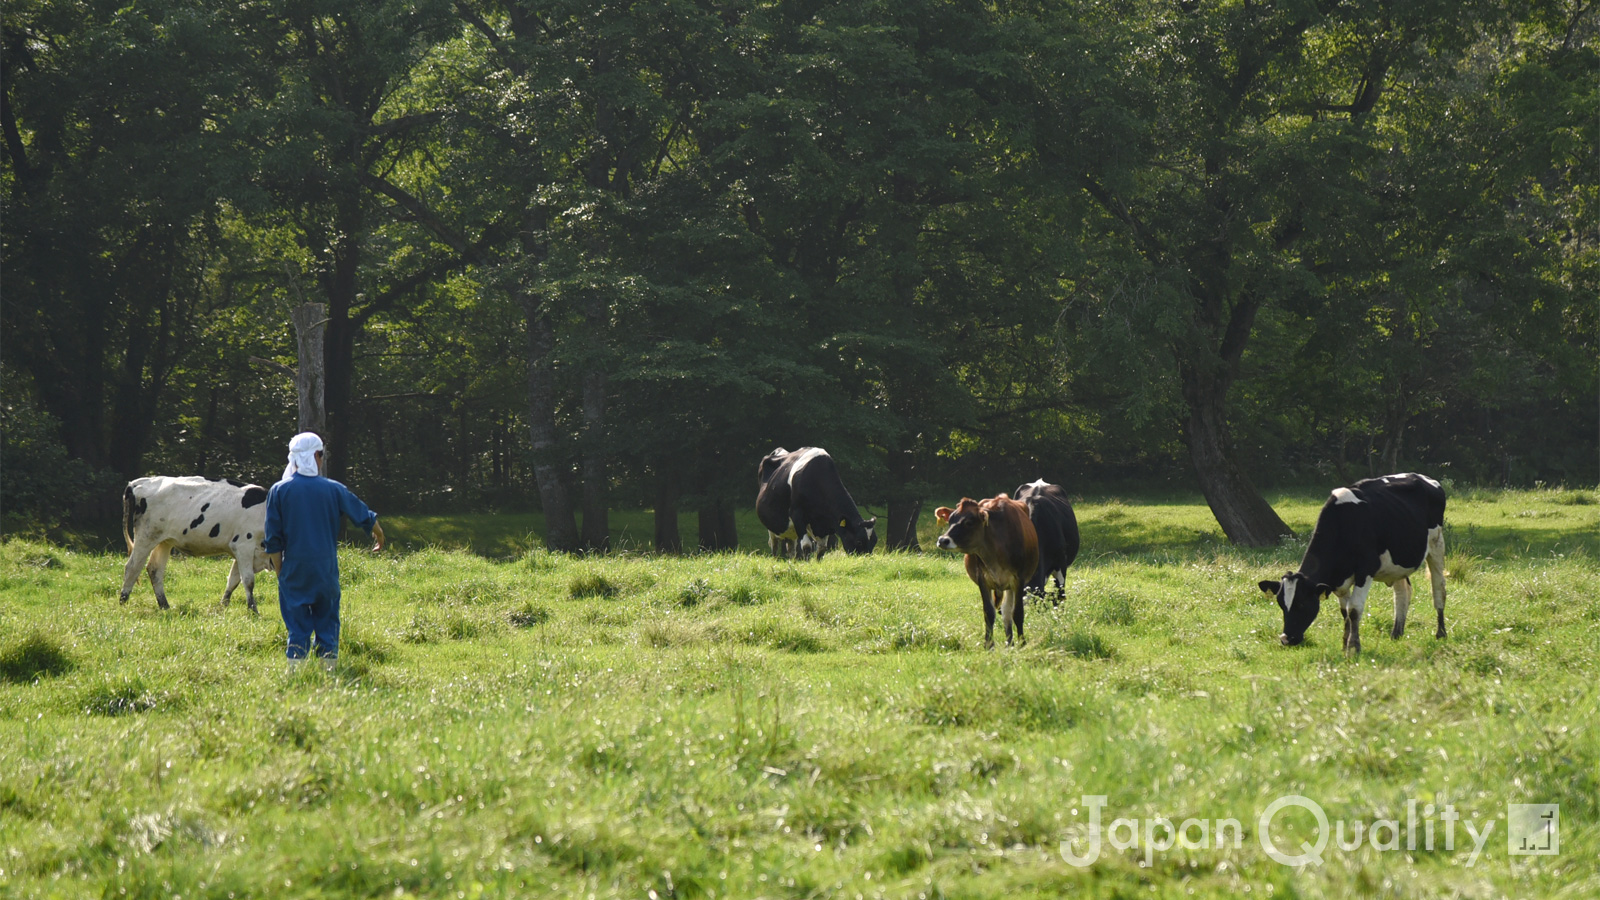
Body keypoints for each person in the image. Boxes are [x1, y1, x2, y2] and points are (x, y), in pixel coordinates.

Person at [263, 432, 383, 670]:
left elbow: (273, 540)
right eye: (321, 455)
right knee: (327, 622)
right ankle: (328, 673)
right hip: (325, 571)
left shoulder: (278, 491)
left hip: (294, 569)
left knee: (297, 627)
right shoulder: (334, 489)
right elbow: (363, 515)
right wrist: (379, 534)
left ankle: (297, 674)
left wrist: (280, 572)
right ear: (317, 456)